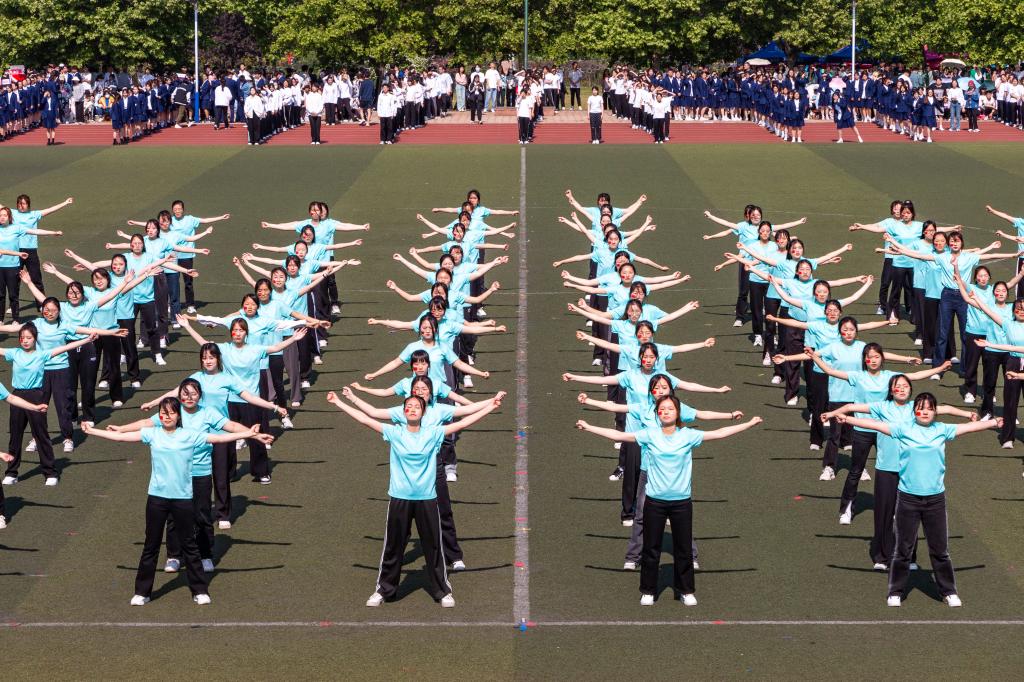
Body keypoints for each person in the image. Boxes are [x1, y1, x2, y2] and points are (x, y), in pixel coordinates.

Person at [577, 396, 761, 605]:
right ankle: (648, 590)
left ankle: (686, 590)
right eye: (662, 409)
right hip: (654, 502)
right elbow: (620, 435)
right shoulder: (649, 435)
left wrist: (749, 424)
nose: (665, 412)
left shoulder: (688, 435)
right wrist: (589, 427)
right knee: (651, 548)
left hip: (681, 503)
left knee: (683, 549)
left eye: (670, 409)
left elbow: (719, 433)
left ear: (678, 413)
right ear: (657, 414)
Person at [83, 399, 267, 606]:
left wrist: (249, 434)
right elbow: (120, 437)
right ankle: (142, 592)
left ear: (178, 415)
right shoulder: (152, 434)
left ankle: (199, 590)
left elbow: (219, 438)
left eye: (171, 413)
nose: (166, 416)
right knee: (151, 545)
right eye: (163, 412)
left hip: (183, 499)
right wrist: (93, 431)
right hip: (157, 499)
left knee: (189, 545)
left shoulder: (189, 435)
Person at [329, 391, 501, 607]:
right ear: (403, 412)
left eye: (417, 407)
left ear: (423, 412)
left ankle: (442, 591)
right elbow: (365, 419)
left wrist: (490, 407)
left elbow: (463, 423)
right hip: (399, 499)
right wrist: (338, 402)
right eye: (408, 406)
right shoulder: (394, 432)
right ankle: (384, 590)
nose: (412, 409)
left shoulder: (433, 433)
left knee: (434, 546)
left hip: (427, 499)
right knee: (393, 546)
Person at [834, 393, 999, 607]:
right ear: (914, 411)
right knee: (903, 550)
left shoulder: (942, 429)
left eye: (929, 408)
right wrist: (847, 418)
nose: (925, 412)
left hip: (935, 500)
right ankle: (895, 592)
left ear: (934, 411)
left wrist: (993, 423)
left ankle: (949, 591)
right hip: (908, 499)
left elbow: (968, 428)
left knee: (940, 550)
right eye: (921, 408)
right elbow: (874, 425)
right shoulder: (903, 429)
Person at [110, 379, 275, 573]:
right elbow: (146, 423)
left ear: (200, 396)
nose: (189, 398)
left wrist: (253, 434)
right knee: (173, 517)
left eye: (194, 394)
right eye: (185, 394)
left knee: (201, 515)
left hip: (200, 472)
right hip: (177, 475)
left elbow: (230, 426)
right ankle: (174, 556)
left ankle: (205, 555)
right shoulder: (173, 411)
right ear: (179, 395)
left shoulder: (207, 413)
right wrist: (121, 428)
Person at [822, 376, 975, 569]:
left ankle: (910, 558)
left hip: (910, 472)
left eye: (905, 386)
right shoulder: (882, 407)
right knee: (884, 514)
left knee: (909, 517)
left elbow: (945, 409)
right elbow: (852, 407)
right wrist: (832, 414)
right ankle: (882, 557)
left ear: (910, 390)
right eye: (897, 386)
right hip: (886, 469)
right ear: (891, 390)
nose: (902, 389)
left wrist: (967, 414)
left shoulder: (917, 408)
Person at [176, 315, 307, 484]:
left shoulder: (255, 349)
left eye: (241, 330)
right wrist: (187, 325)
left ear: (246, 333)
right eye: (234, 330)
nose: (237, 333)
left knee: (255, 435)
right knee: (228, 438)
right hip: (228, 401)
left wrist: (293, 338)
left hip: (250, 400)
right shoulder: (224, 349)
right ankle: (229, 472)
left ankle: (261, 472)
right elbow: (204, 344)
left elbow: (275, 347)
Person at [1, 324, 97, 487]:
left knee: (41, 435)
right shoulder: (14, 353)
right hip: (16, 396)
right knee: (15, 436)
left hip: (36, 396)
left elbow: (65, 347)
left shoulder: (42, 354)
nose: (25, 341)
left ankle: (50, 473)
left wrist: (87, 340)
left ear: (35, 339)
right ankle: (11, 472)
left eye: (29, 338)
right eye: (22, 338)